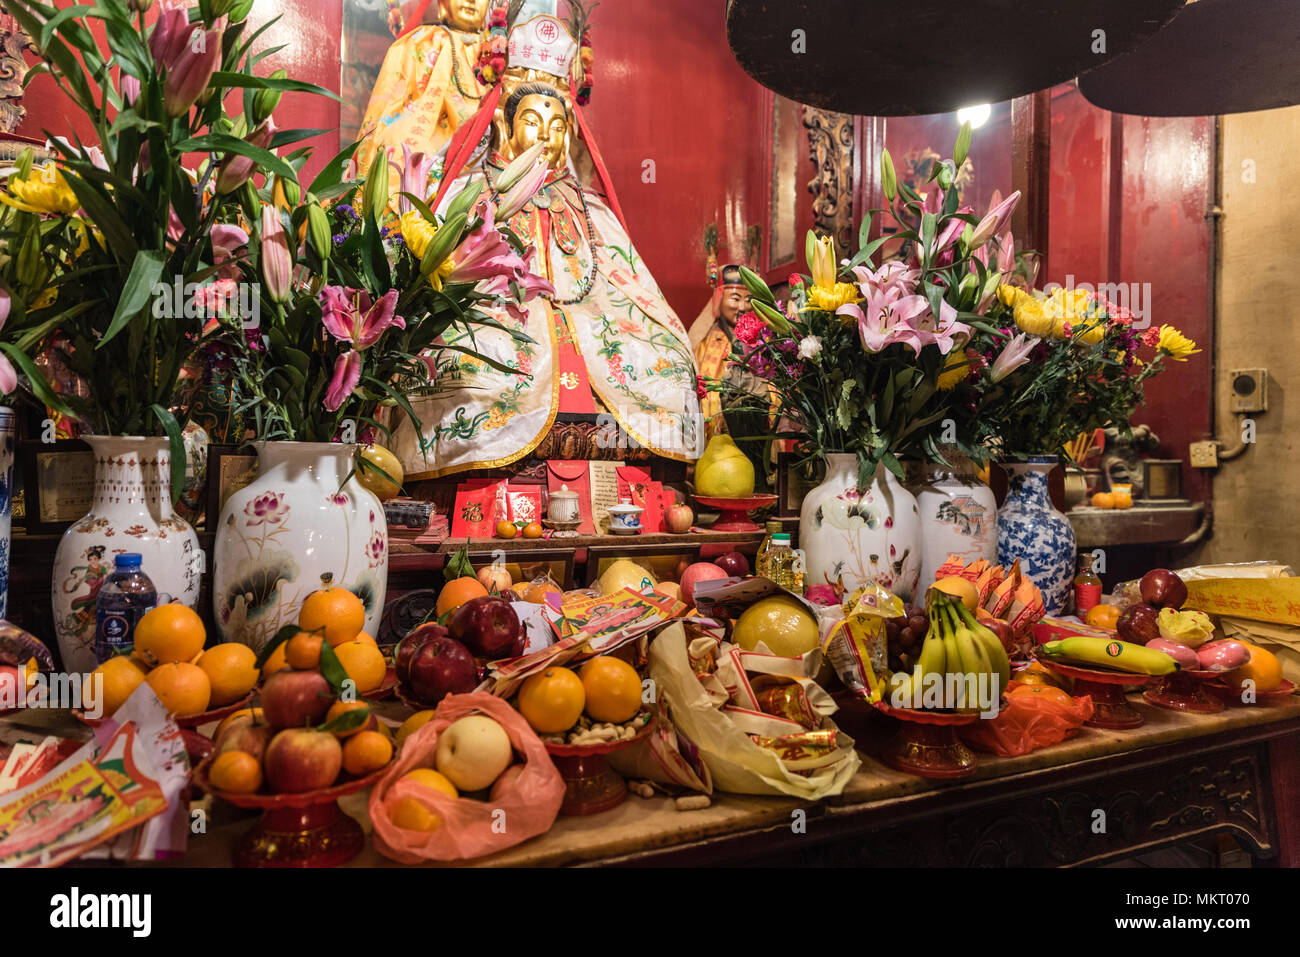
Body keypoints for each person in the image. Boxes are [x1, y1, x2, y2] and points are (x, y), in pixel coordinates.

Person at [390, 1, 702, 479]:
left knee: (669, 357)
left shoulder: (588, 205)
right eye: (533, 122)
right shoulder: (468, 195)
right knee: (474, 366)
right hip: (499, 325)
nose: (547, 137)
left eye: (558, 127)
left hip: (588, 329)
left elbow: (631, 287)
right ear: (502, 125)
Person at [350, 0, 493, 209]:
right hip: (426, 131)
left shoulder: (493, 53)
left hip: (479, 150)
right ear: (442, 4)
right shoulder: (423, 40)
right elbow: (398, 97)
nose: (471, 1)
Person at [690, 264, 774, 490]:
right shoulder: (709, 342)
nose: (742, 307)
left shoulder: (761, 342)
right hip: (716, 446)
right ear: (719, 298)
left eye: (748, 300)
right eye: (735, 298)